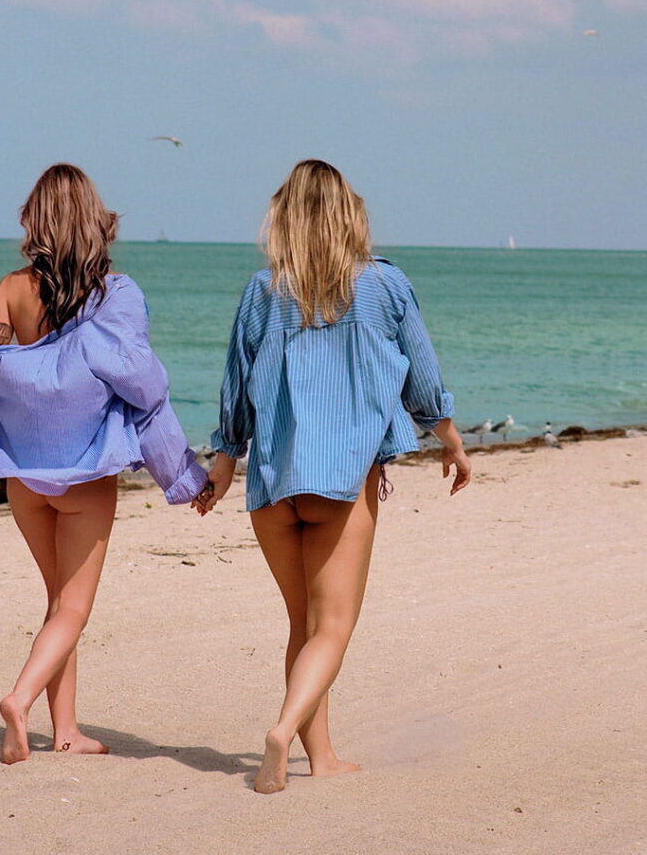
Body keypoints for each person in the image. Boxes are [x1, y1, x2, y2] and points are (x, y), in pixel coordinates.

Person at [0, 164, 211, 763]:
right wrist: (184, 475)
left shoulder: (11, 290)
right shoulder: (114, 294)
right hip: (85, 477)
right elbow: (145, 392)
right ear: (95, 219)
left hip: (23, 479)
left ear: (34, 220)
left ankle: (67, 732)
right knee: (75, 607)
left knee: (59, 601)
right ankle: (20, 698)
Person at [198, 159, 471, 794]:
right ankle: (283, 731)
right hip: (343, 482)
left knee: (304, 625)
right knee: (335, 626)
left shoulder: (261, 291)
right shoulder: (385, 287)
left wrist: (222, 463)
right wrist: (452, 445)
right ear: (351, 214)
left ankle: (321, 759)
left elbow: (235, 389)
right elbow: (423, 383)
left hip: (272, 480)